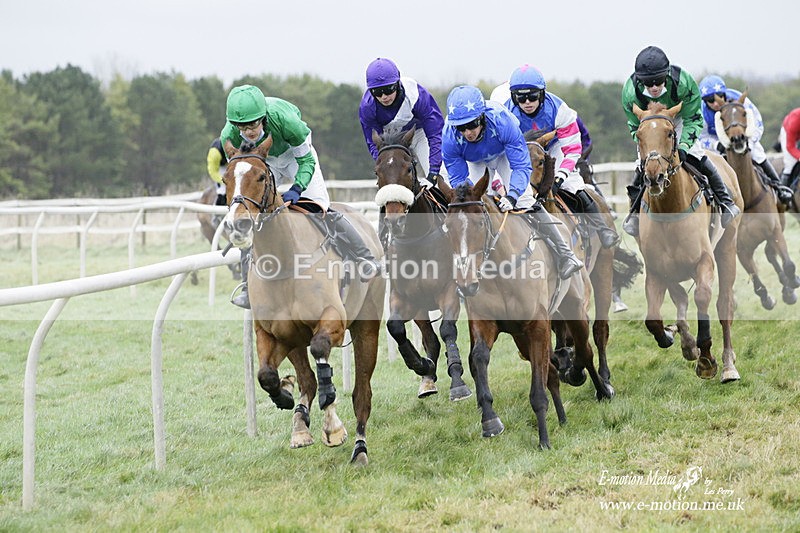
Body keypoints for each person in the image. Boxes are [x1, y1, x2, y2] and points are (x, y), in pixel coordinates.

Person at [221, 85, 380, 308]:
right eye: (241, 126)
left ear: (263, 117)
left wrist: (298, 187)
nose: (248, 131)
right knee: (250, 216)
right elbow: (237, 172)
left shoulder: (287, 122)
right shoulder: (227, 136)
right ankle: (248, 284)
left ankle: (365, 257)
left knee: (320, 207)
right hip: (262, 163)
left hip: (296, 157)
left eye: (253, 124)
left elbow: (306, 162)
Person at [441, 85, 583, 280]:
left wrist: (513, 194)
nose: (468, 133)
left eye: (472, 125)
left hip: (504, 155)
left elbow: (521, 166)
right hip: (475, 161)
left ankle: (565, 254)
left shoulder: (503, 121)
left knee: (525, 199)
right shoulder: (449, 136)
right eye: (462, 128)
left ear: (482, 117)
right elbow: (458, 179)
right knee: (469, 207)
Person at [491, 65, 619, 248]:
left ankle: (602, 228)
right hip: (522, 150)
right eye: (521, 97)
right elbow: (499, 152)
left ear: (541, 94)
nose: (527, 102)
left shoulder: (560, 110)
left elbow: (573, 149)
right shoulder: (505, 114)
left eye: (533, 96)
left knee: (571, 183)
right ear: (513, 97)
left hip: (555, 146)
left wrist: (559, 177)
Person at [621, 46, 740, 236]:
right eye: (648, 83)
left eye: (658, 81)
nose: (653, 87)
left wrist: (683, 145)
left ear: (667, 74)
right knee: (642, 164)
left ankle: (725, 202)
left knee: (696, 153)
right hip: (649, 123)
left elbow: (694, 118)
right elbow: (635, 125)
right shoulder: (630, 92)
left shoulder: (684, 83)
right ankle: (634, 214)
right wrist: (648, 145)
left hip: (679, 119)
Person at [698, 75, 793, 206]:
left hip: (744, 136)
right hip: (716, 140)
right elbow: (700, 137)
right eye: (709, 100)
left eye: (718, 97)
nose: (714, 103)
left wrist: (750, 140)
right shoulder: (700, 112)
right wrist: (717, 145)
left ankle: (779, 187)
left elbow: (758, 123)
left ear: (724, 93)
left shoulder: (742, 100)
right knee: (711, 162)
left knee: (757, 153)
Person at [359, 58, 446, 187]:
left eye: (388, 89)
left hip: (420, 134)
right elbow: (373, 143)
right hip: (390, 142)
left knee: (442, 180)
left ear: (398, 83)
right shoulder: (367, 107)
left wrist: (434, 170)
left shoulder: (416, 95)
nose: (384, 96)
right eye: (377, 92)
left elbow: (435, 135)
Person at [779, 107, 800, 189]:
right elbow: (790, 147)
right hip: (787, 133)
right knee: (791, 163)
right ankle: (783, 192)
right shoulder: (795, 121)